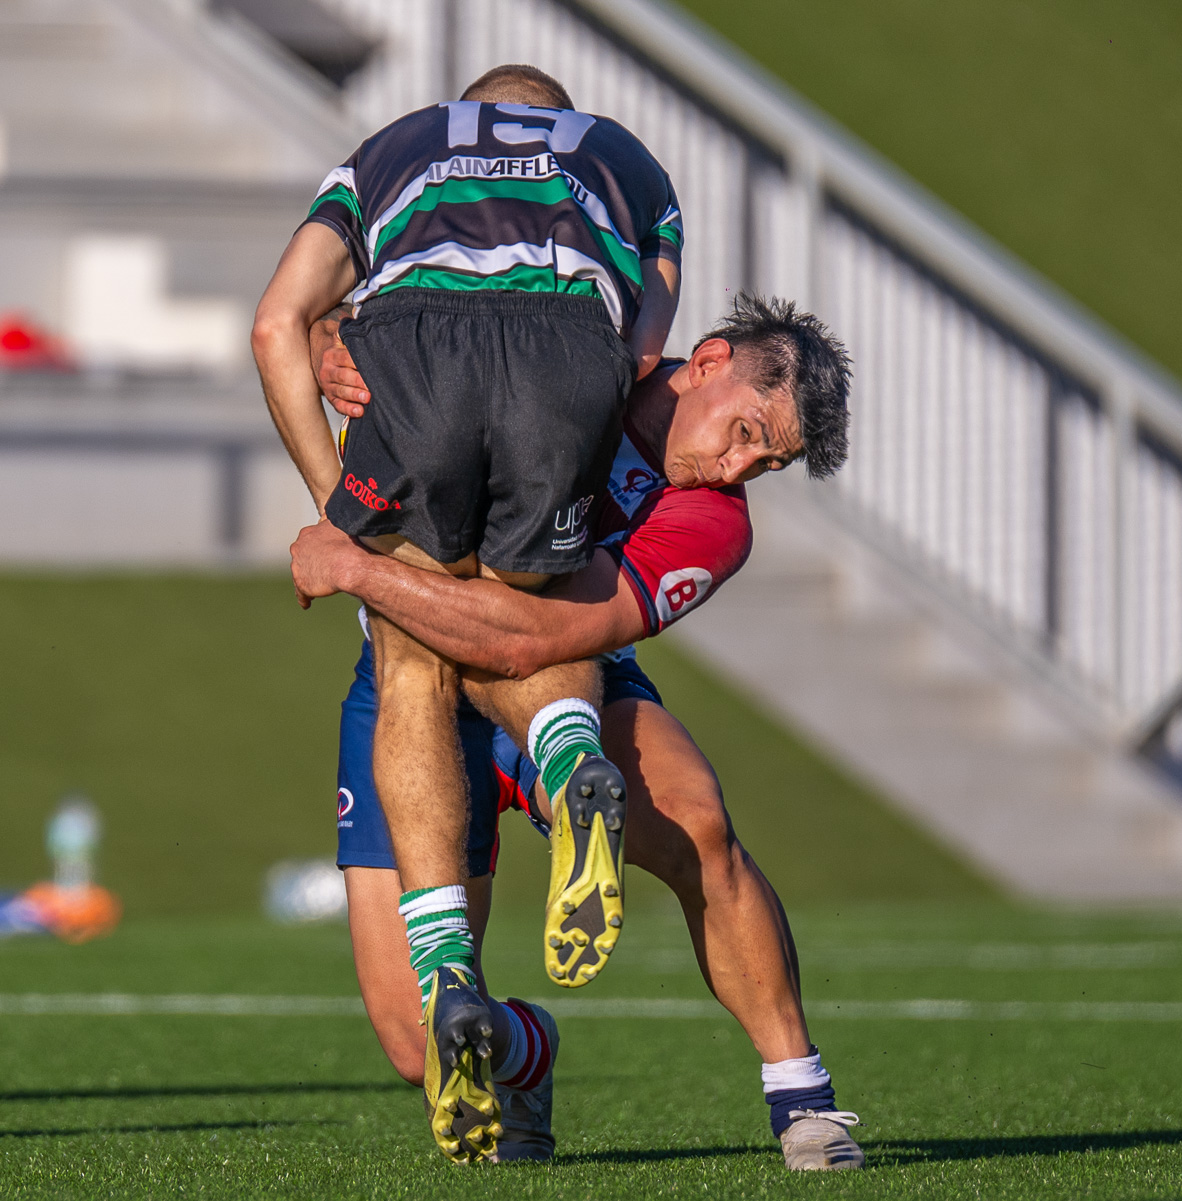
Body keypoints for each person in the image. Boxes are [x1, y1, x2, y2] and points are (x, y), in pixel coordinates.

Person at [293, 295, 867, 1171]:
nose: (737, 467)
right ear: (705, 361)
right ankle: (525, 1049)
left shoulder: (715, 523)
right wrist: (338, 347)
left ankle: (805, 1098)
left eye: (767, 461)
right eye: (746, 430)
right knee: (418, 1047)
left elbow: (535, 638)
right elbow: (330, 310)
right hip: (410, 695)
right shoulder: (572, 361)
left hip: (557, 678)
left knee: (696, 823)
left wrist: (356, 569)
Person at [250, 65, 683, 1159]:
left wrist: (336, 514)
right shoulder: (625, 158)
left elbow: (274, 325)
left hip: (416, 354)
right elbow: (640, 350)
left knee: (409, 655)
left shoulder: (397, 145)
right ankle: (568, 751)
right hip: (565, 354)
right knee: (517, 605)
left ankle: (450, 964)